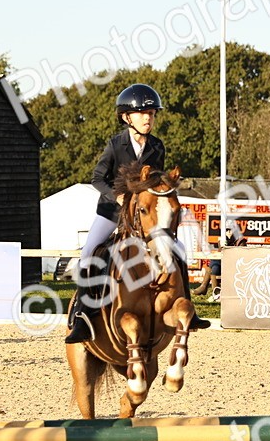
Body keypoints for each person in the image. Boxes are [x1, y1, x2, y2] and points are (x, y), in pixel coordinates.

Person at [65, 83, 210, 344]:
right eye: (143, 114)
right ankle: (83, 317)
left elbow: (157, 183)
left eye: (152, 113)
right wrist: (117, 196)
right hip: (112, 211)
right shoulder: (115, 145)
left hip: (146, 216)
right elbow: (97, 178)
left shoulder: (157, 147)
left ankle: (189, 307)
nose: (148, 118)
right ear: (126, 117)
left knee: (180, 250)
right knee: (89, 251)